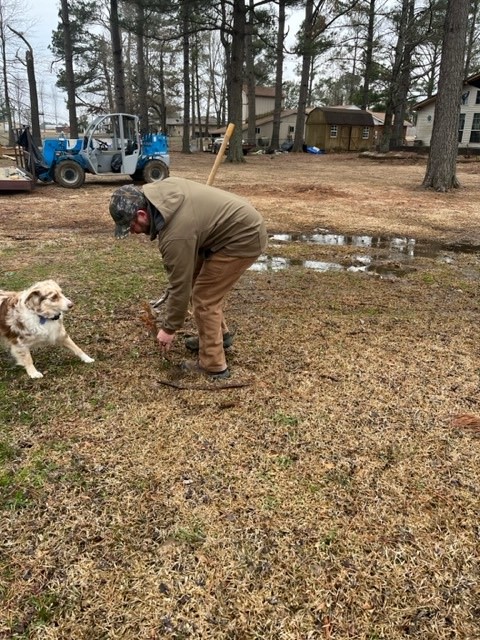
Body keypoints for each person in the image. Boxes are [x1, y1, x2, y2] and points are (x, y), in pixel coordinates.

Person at [109, 177, 268, 379]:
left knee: (204, 298)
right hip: (224, 230)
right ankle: (221, 336)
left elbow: (179, 288)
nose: (133, 232)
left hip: (243, 237)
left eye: (131, 226)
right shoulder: (160, 194)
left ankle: (213, 364)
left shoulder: (175, 235)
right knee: (195, 281)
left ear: (141, 214)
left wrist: (168, 328)